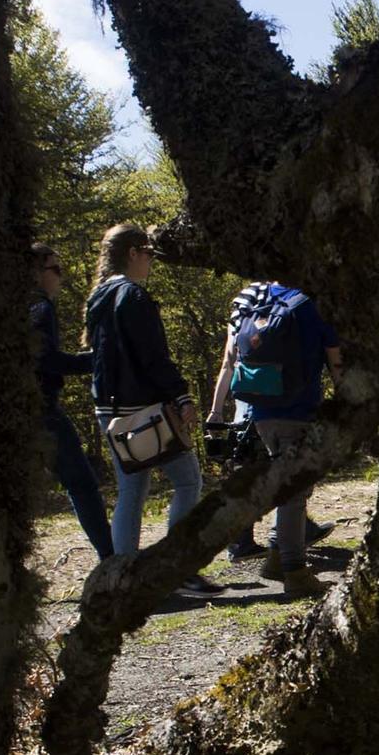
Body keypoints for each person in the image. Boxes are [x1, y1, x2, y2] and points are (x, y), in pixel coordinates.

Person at [85, 222, 223, 596]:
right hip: (143, 410)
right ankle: (174, 569)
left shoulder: (98, 296)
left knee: (132, 490)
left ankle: (125, 577)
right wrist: (181, 397)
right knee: (187, 479)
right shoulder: (133, 296)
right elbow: (153, 357)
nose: (150, 261)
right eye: (147, 253)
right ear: (132, 254)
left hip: (109, 410)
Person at [210, 280, 343, 595]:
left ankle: (274, 556)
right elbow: (334, 357)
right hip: (297, 407)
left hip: (261, 409)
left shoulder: (263, 298)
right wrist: (347, 396)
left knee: (290, 488)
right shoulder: (311, 304)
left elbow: (233, 356)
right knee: (294, 493)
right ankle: (295, 571)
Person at [29, 242, 113, 562]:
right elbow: (46, 359)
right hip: (42, 410)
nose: (60, 278)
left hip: (17, 411)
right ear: (37, 273)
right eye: (56, 269)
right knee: (82, 484)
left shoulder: (14, 307)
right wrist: (94, 360)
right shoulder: (41, 307)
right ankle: (111, 556)